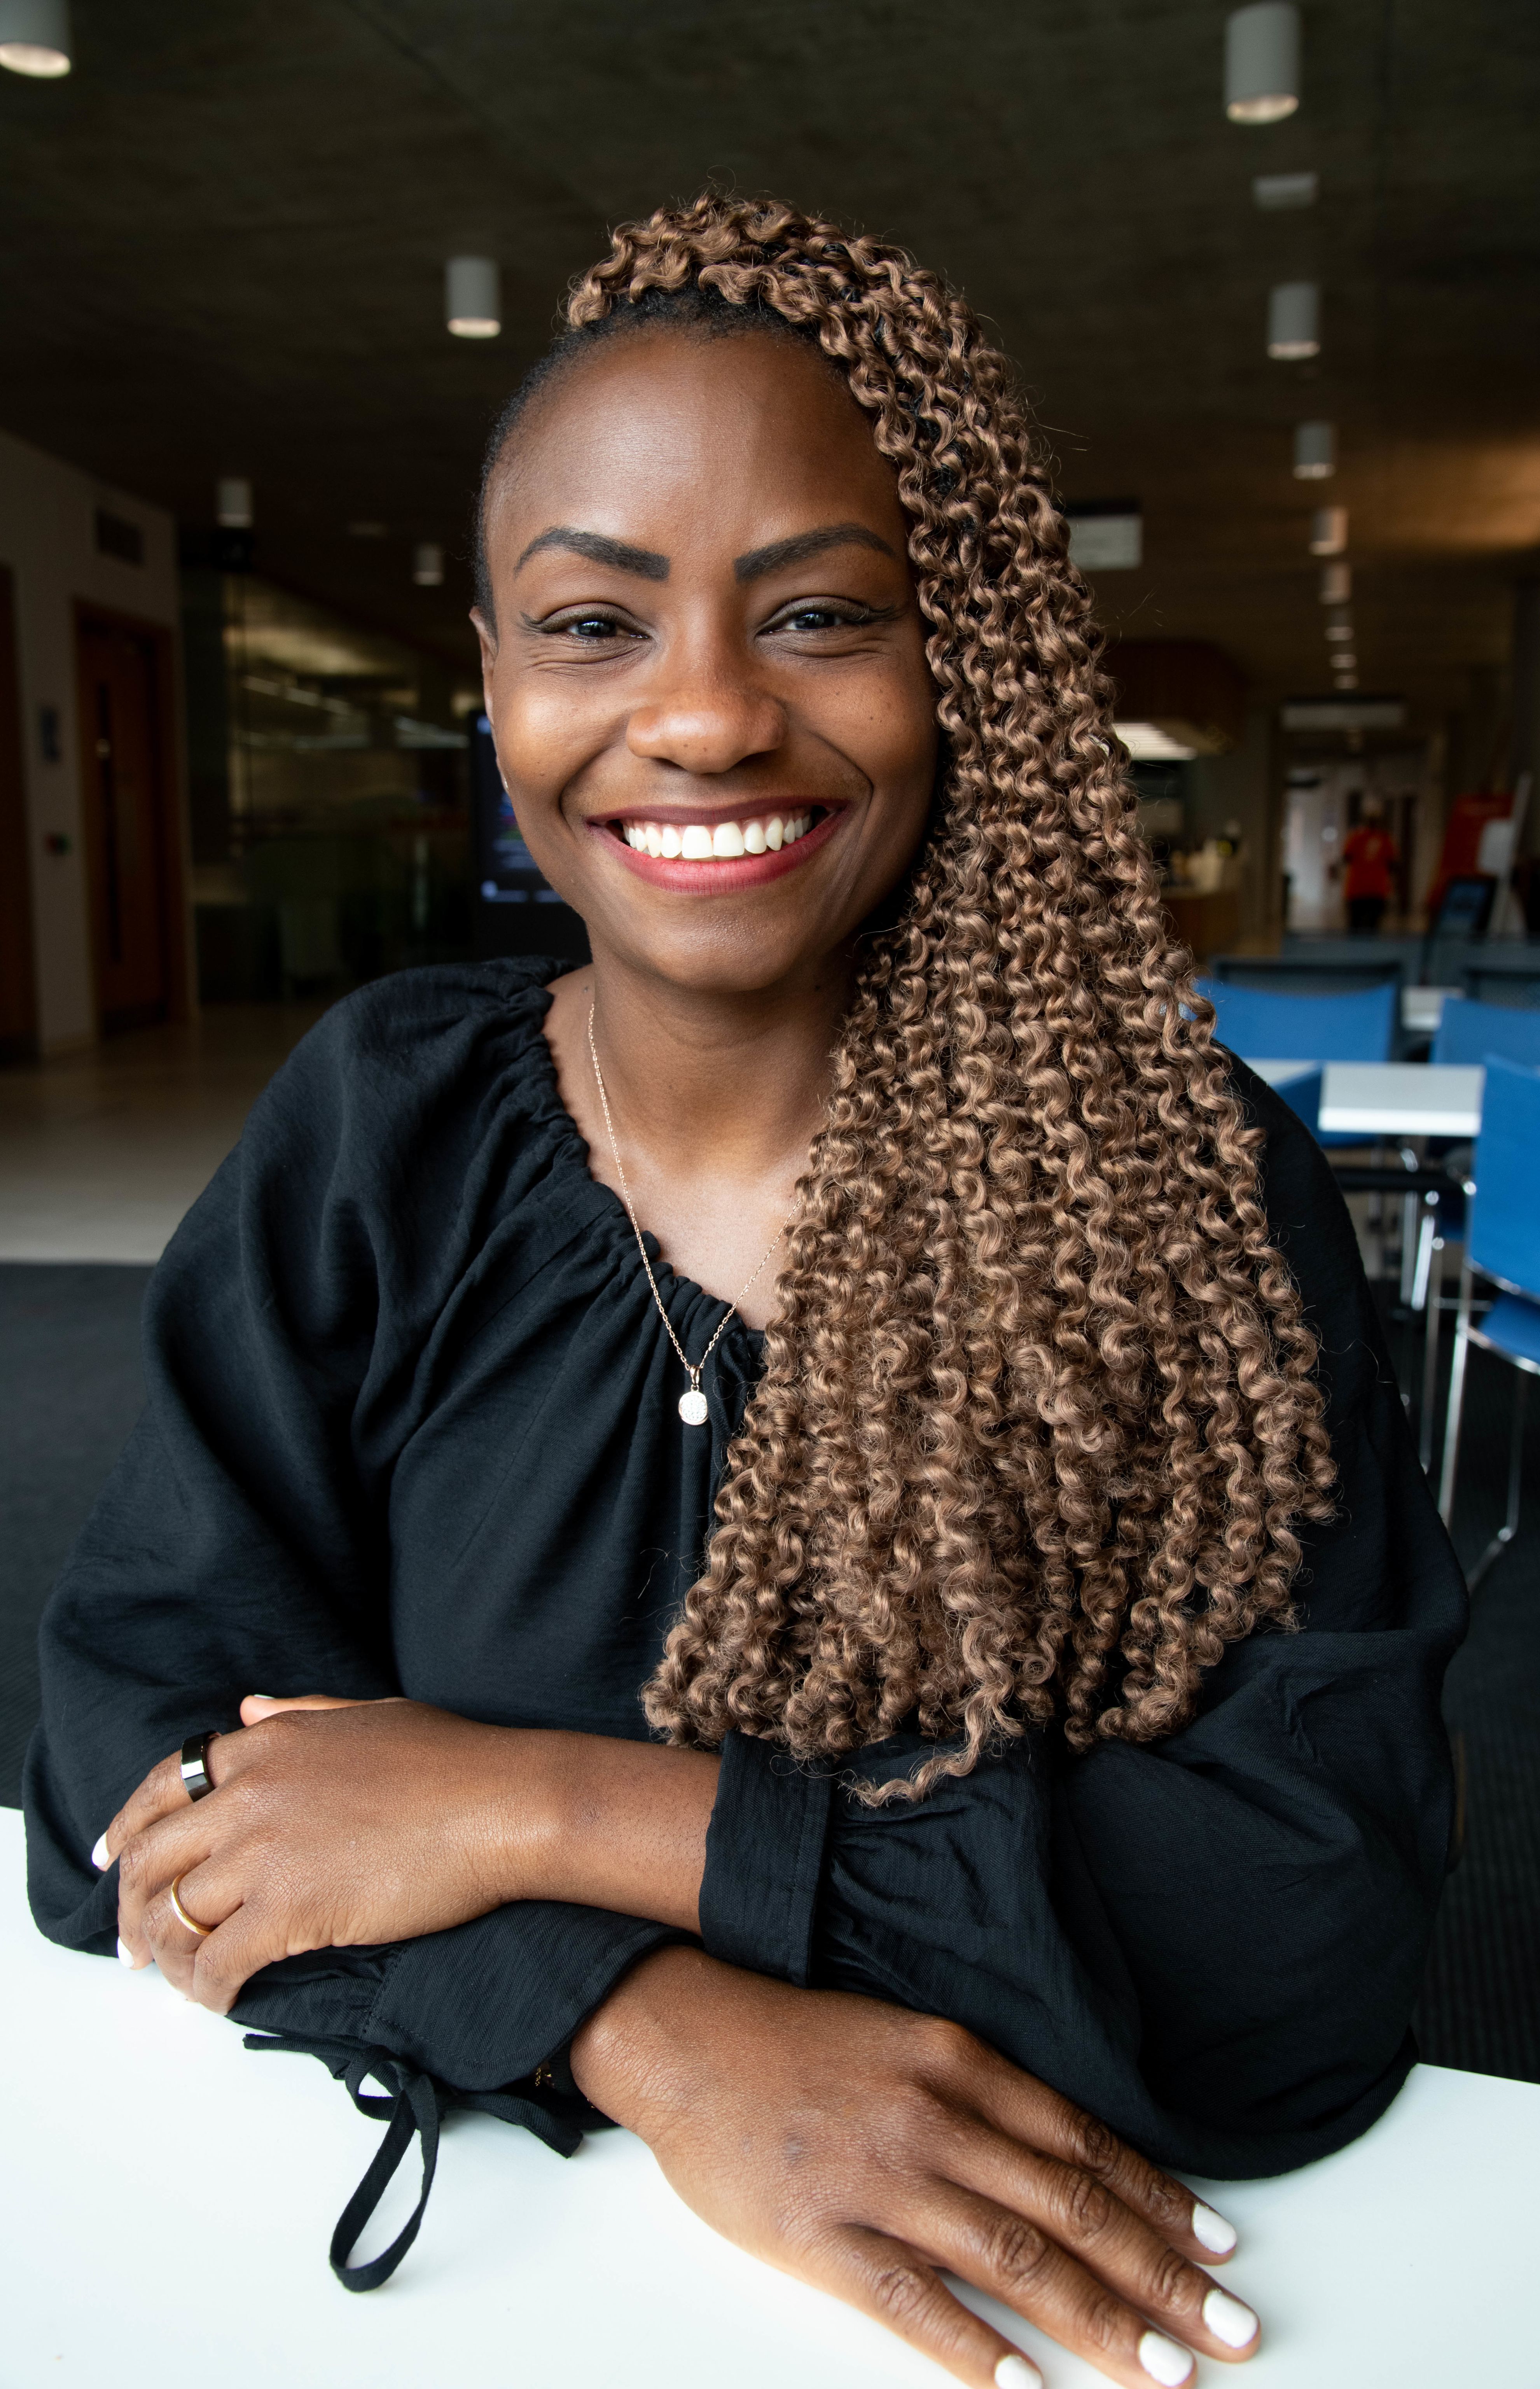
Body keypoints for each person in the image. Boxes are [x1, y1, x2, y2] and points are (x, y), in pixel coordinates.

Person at [25, 198, 1463, 2389]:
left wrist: (532, 1811)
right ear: (491, 687)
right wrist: (644, 2026)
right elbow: (139, 1760)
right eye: (591, 621)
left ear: (954, 656)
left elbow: (1281, 1948)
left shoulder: (1165, 1197)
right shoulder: (379, 1133)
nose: (698, 715)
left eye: (813, 614)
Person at [1341, 796, 1399, 934]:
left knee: (1357, 928)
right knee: (1371, 928)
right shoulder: (1385, 839)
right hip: (1372, 889)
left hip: (1363, 889)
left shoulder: (1356, 837)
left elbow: (1346, 858)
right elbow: (1393, 865)